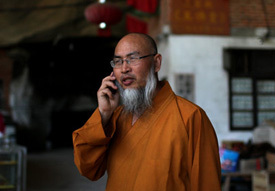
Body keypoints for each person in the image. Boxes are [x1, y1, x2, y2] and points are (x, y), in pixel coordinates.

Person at [73, 33, 221, 191]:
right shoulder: (115, 117)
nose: (124, 68)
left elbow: (207, 184)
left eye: (133, 58)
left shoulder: (190, 117)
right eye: (118, 61)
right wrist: (103, 114)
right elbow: (88, 169)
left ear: (156, 63)